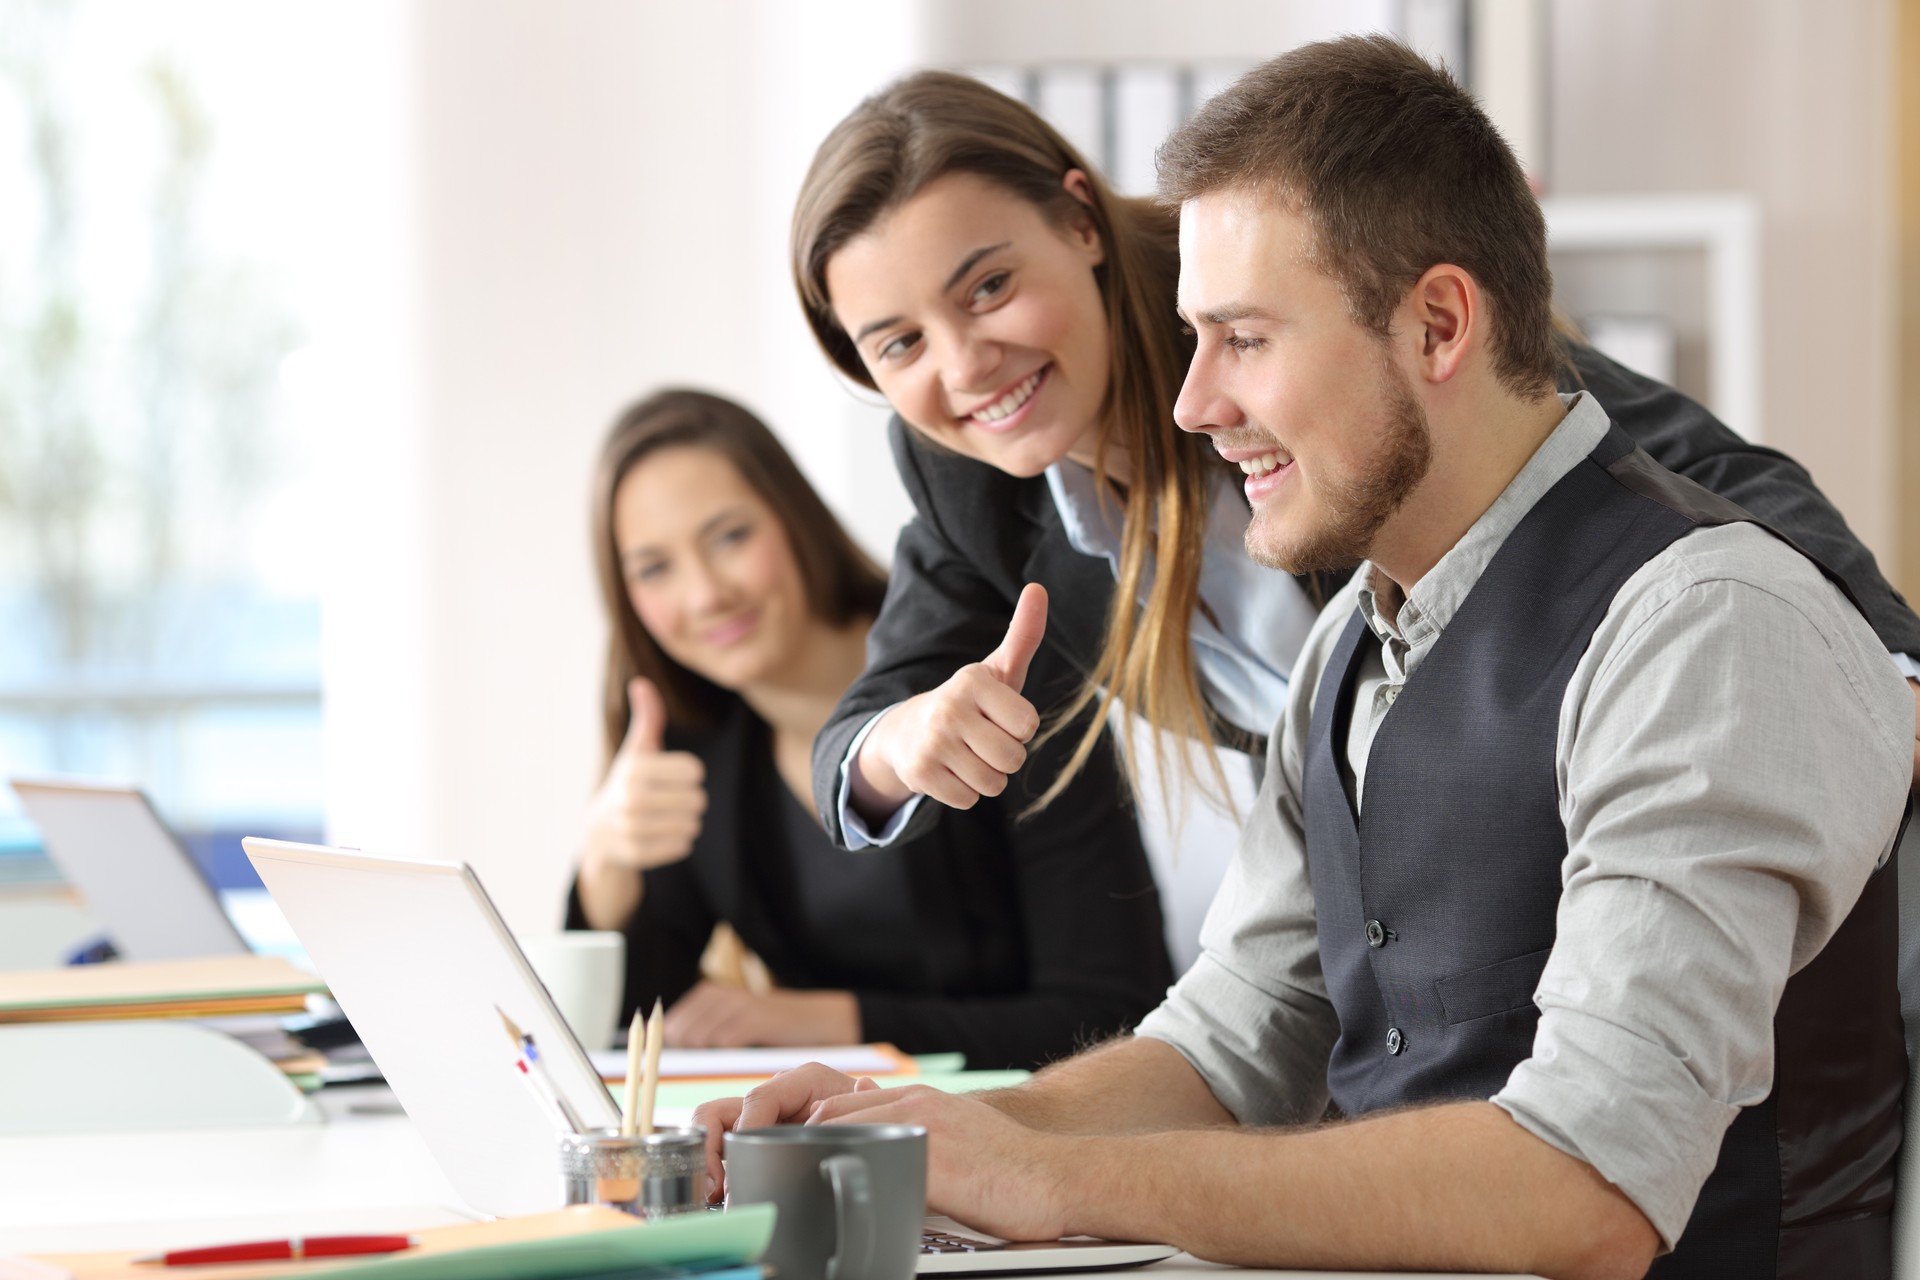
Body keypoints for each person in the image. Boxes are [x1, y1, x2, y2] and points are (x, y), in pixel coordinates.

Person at [699, 38, 1913, 1278]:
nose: (1192, 402)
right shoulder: (1348, 640)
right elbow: (1231, 1044)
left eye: (1246, 339)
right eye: (1194, 338)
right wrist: (904, 1138)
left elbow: (1587, 1184)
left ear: (1439, 321)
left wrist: (1051, 1176)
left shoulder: (1700, 616)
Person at [795, 67, 1920, 858]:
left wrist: (1884, 675)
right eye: (897, 343)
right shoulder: (964, 477)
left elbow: (1645, 455)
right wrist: (899, 747)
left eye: (988, 286)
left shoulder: (1260, 300)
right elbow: (862, 735)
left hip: (1583, 804)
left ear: (1079, 220)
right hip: (1401, 874)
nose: (964, 362)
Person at [565, 389, 1171, 1069]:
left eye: (729, 537)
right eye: (654, 569)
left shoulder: (997, 680)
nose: (705, 594)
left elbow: (1115, 1012)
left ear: (794, 520)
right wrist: (605, 866)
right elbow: (640, 1032)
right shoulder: (695, 751)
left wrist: (836, 1022)